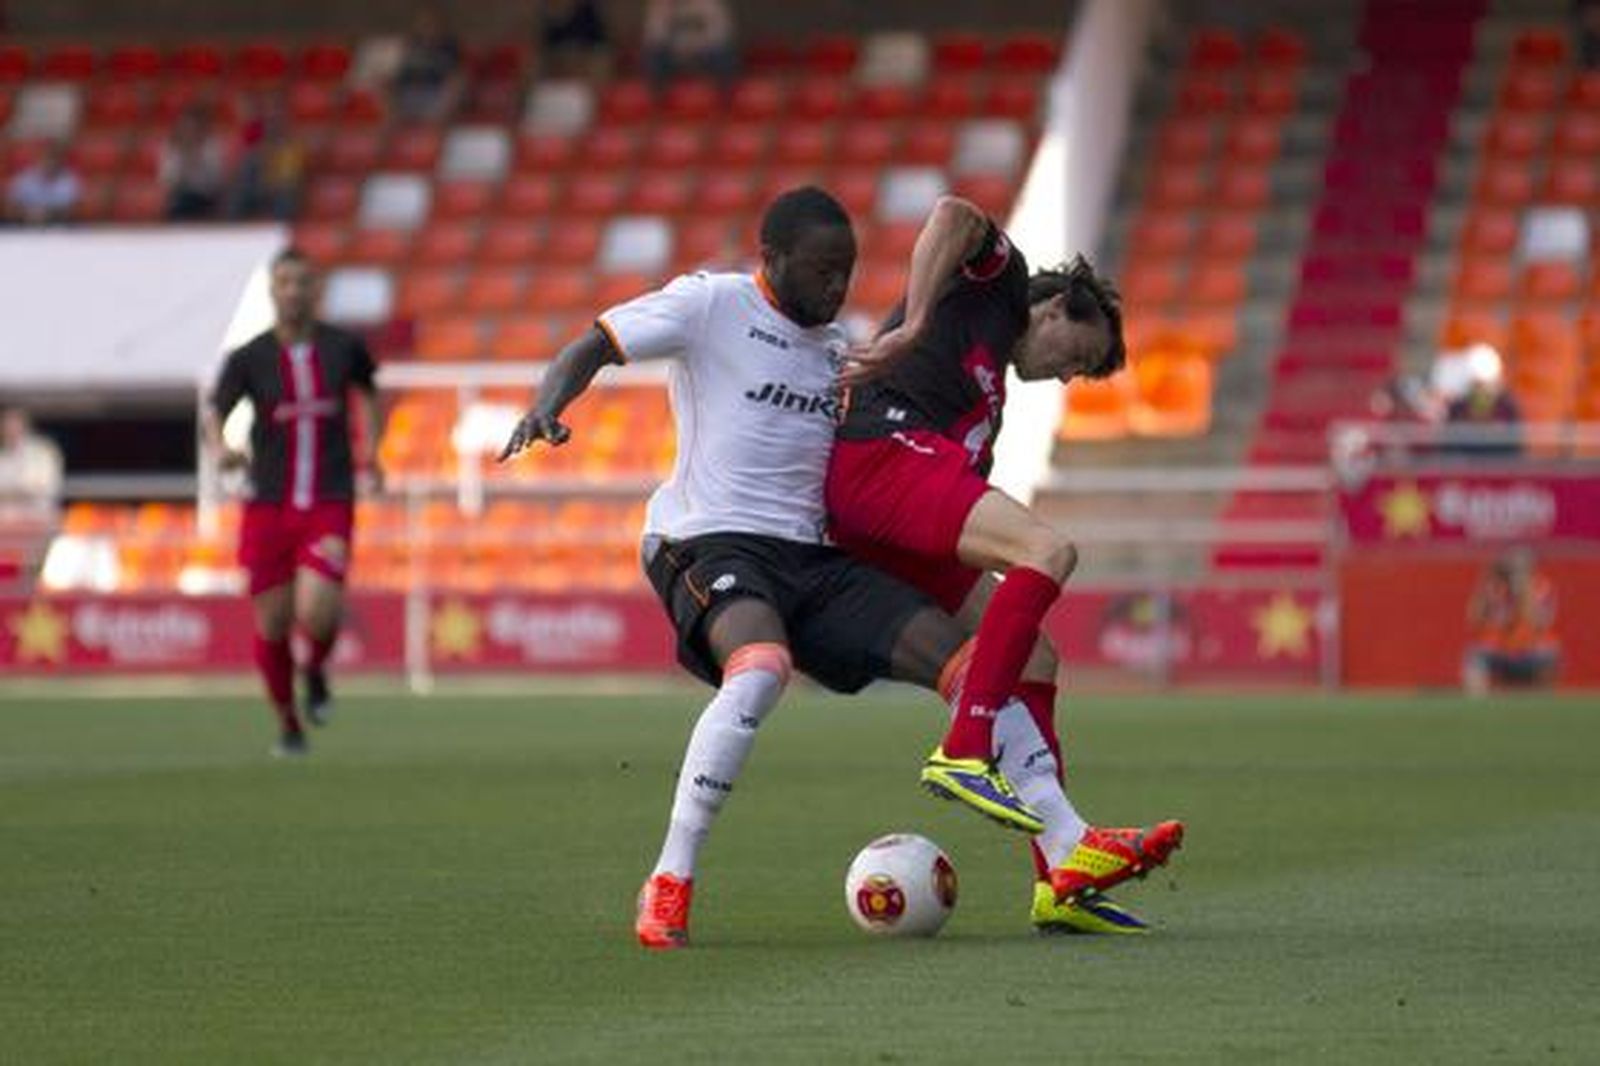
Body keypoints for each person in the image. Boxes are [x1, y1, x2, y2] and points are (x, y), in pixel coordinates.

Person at [499, 187, 1178, 949]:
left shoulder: (837, 352)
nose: (839, 289)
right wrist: (545, 405)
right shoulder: (713, 303)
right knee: (760, 668)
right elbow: (594, 341)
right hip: (711, 540)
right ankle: (669, 880)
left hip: (815, 553)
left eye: (848, 273)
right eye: (824, 271)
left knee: (996, 662)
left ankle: (1066, 858)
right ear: (773, 259)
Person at [826, 195, 1173, 905]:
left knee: (1036, 656)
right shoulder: (997, 285)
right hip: (878, 456)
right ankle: (964, 748)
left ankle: (1062, 876)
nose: (1070, 375)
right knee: (1047, 550)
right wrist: (913, 323)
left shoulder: (989, 404)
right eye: (1077, 356)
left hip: (897, 495)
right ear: (1051, 312)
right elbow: (953, 213)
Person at [203, 248, 383, 756]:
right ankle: (287, 721)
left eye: (302, 282)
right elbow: (215, 411)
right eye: (284, 282)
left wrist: (373, 453)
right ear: (273, 290)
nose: (293, 291)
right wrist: (223, 451)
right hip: (267, 505)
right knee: (274, 623)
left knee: (319, 611)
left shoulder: (344, 347)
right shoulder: (249, 357)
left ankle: (317, 668)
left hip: (329, 497)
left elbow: (368, 394)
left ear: (316, 289)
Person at [1463, 547, 1560, 696]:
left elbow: (1537, 623)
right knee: (1474, 655)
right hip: (1502, 651)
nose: (1515, 574)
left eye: (1520, 569)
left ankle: (1544, 703)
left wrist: (1524, 592)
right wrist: (1484, 584)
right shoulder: (1496, 589)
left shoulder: (1542, 588)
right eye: (1512, 569)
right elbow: (1474, 619)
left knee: (1550, 653)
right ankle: (1479, 705)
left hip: (1531, 652)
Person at [225, 94, 306, 222]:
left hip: (280, 190)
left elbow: (290, 178)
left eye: (277, 117)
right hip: (259, 189)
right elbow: (245, 173)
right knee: (237, 195)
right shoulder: (258, 145)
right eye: (270, 118)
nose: (273, 122)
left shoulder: (293, 144)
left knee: (285, 197)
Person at [388, 5, 466, 124]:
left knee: (457, 83)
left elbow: (456, 75)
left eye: (431, 23)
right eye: (423, 23)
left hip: (435, 93)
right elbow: (399, 74)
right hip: (409, 92)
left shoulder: (449, 47)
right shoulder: (411, 46)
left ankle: (434, 131)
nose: (427, 27)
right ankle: (387, 137)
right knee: (386, 87)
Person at [642, 0, 738, 95]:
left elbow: (721, 34)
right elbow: (654, 37)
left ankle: (725, 99)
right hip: (673, 54)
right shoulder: (660, 5)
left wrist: (697, 47)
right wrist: (678, 48)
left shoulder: (711, 3)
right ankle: (658, 100)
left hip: (705, 52)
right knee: (654, 55)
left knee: (724, 54)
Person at [159, 104, 227, 221]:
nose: (189, 131)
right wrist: (183, 159)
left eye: (192, 127)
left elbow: (215, 179)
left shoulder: (210, 146)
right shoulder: (173, 148)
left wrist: (196, 157)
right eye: (185, 127)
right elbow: (167, 179)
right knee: (178, 203)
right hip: (181, 198)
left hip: (206, 198)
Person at [0, 405, 64, 521]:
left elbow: (39, 488)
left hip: (37, 520)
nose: (9, 428)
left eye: (14, 423)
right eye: (5, 424)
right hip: (5, 523)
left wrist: (10, 493)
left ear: (24, 425)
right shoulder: (3, 456)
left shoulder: (43, 452)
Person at [5, 138, 81, 226]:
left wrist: (47, 214)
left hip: (60, 227)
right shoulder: (23, 179)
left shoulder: (69, 181)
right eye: (46, 158)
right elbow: (9, 208)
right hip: (24, 226)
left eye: (53, 159)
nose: (49, 163)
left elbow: (75, 210)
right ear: (39, 159)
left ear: (59, 160)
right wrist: (27, 213)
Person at [535, 0, 613, 81]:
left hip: (587, 81)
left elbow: (602, 52)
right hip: (552, 82)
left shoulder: (590, 15)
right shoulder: (543, 19)